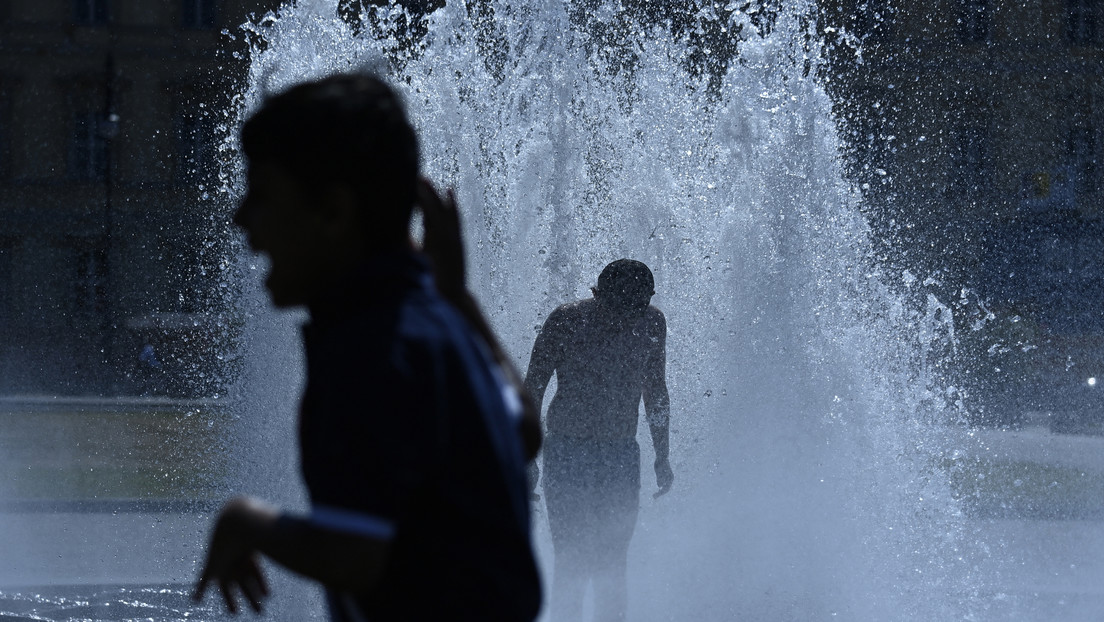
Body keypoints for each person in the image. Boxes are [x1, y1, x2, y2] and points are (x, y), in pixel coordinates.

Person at [193, 72, 542, 621]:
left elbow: (355, 557)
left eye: (261, 195)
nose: (241, 220)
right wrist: (459, 296)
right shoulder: (437, 320)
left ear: (333, 212)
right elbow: (522, 428)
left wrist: (244, 520)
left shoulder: (368, 351)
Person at [524, 259, 672, 622]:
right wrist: (526, 458)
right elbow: (532, 388)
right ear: (598, 295)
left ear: (647, 301)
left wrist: (662, 456)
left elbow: (655, 391)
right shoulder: (566, 320)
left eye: (635, 310)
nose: (625, 320)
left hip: (620, 455)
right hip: (567, 453)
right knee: (570, 558)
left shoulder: (652, 323)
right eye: (617, 309)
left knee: (613, 560)